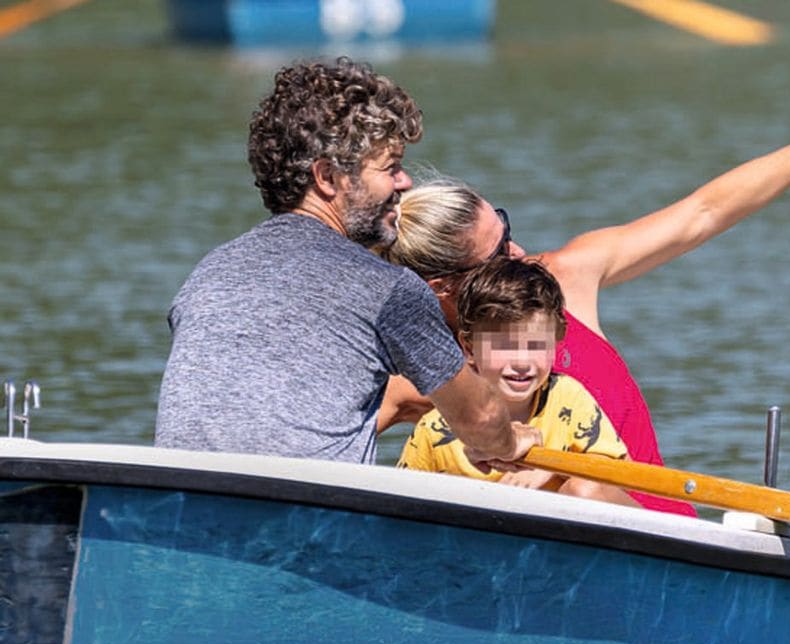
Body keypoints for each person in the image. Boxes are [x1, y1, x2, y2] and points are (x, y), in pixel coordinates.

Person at [381, 116, 790, 514]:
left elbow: (702, 214)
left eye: (507, 228)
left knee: (581, 489)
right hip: (523, 561)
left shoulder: (564, 278)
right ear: (441, 288)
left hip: (654, 536)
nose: (519, 253)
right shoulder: (417, 373)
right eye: (498, 254)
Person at [155, 57, 538, 469]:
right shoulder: (387, 288)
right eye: (390, 167)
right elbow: (480, 418)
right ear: (327, 178)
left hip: (176, 504)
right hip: (302, 518)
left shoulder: (209, 272)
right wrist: (509, 439)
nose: (404, 182)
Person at [400, 257, 638, 507]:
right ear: (469, 349)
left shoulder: (568, 396)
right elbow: (402, 505)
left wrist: (553, 468)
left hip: (573, 536)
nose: (523, 362)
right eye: (505, 346)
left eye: (536, 345)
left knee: (584, 488)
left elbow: (622, 474)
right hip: (485, 539)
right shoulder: (434, 429)